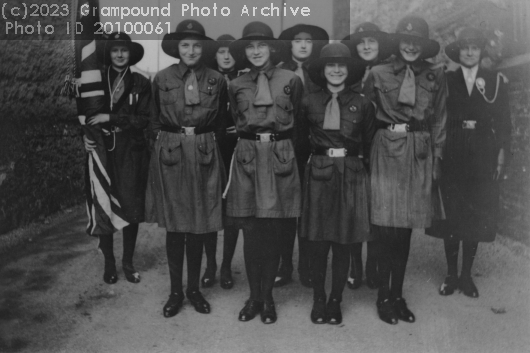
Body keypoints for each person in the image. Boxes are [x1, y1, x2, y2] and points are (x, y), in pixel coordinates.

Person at [363, 15, 447, 325]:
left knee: (406, 230)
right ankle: (383, 295)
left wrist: (437, 159)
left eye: (417, 42)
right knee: (387, 229)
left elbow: (439, 119)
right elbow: (365, 116)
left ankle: (397, 294)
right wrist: (366, 157)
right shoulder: (378, 73)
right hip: (387, 150)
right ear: (397, 44)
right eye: (405, 41)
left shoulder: (434, 76)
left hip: (419, 152)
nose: (411, 46)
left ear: (423, 47)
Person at [145, 19, 227, 318]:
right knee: (176, 224)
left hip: (204, 150)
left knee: (198, 224)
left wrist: (208, 143)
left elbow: (221, 121)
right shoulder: (162, 78)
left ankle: (194, 288)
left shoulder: (216, 80)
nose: (191, 50)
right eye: (185, 45)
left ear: (202, 47)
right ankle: (175, 291)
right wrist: (161, 142)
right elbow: (153, 117)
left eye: (196, 45)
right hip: (172, 151)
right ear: (177, 49)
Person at [226, 21, 303, 324]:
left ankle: (268, 297)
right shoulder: (236, 85)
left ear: (272, 48)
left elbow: (298, 123)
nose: (256, 51)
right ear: (244, 51)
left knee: (271, 232)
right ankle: (253, 296)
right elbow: (236, 118)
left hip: (279, 155)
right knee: (250, 231)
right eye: (250, 46)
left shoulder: (291, 79)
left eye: (261, 45)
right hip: (247, 155)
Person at [427, 28, 511, 298]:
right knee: (452, 212)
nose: (470, 52)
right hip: (454, 148)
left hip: (483, 151)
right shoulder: (446, 79)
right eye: (465, 48)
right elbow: (436, 115)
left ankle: (466, 275)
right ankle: (451, 274)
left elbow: (504, 121)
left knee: (475, 213)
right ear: (458, 52)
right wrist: (436, 155)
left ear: (481, 52)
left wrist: (501, 153)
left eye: (475, 48)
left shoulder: (495, 80)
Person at [300, 43, 376, 324]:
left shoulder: (363, 103)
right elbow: (299, 142)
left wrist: (360, 178)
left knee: (343, 242)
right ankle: (318, 298)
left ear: (349, 70)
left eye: (341, 65)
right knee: (318, 243)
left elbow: (368, 145)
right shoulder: (309, 102)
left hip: (350, 175)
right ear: (322, 70)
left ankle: (335, 300)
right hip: (318, 174)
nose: (335, 70)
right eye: (330, 65)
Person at [83, 32, 150, 285]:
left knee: (131, 207)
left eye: (124, 50)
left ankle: (128, 263)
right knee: (104, 205)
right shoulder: (94, 80)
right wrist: (85, 136)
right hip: (101, 150)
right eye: (115, 50)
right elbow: (83, 114)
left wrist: (111, 118)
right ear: (108, 54)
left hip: (130, 152)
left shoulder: (141, 83)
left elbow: (144, 119)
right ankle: (109, 263)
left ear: (131, 54)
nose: (120, 55)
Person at [273, 24, 329, 288]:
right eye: (298, 40)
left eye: (308, 41)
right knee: (285, 211)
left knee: (308, 209)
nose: (304, 45)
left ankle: (307, 264)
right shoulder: (280, 70)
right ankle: (284, 264)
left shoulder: (320, 71)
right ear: (291, 44)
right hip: (285, 144)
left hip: (314, 145)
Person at [341, 22, 392, 290]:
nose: (367, 47)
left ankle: (373, 264)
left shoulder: (388, 71)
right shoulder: (346, 74)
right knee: (353, 208)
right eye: (361, 42)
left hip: (382, 145)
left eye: (371, 41)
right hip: (353, 146)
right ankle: (355, 265)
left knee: (376, 208)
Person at [202, 34, 244, 289]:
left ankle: (226, 265)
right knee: (209, 207)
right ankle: (210, 265)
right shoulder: (207, 79)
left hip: (238, 149)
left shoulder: (246, 78)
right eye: (221, 52)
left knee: (232, 212)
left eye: (230, 51)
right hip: (211, 148)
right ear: (214, 55)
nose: (226, 56)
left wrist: (241, 128)